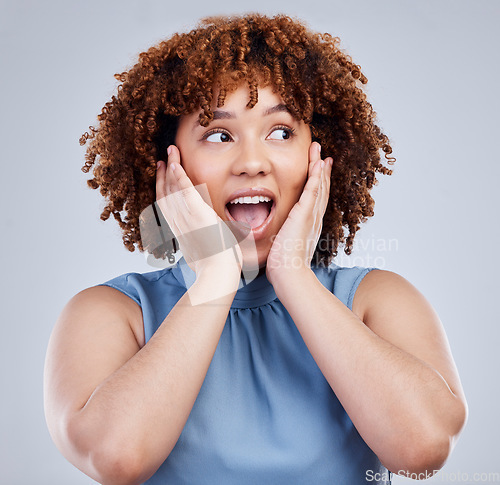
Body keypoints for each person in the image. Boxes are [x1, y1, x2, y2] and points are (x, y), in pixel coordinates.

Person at [44, 13, 467, 485]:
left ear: (320, 157)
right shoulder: (113, 313)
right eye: (219, 135)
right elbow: (117, 459)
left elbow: (423, 450)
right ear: (166, 163)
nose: (251, 163)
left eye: (281, 132)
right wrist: (216, 277)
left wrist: (294, 276)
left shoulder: (374, 300)